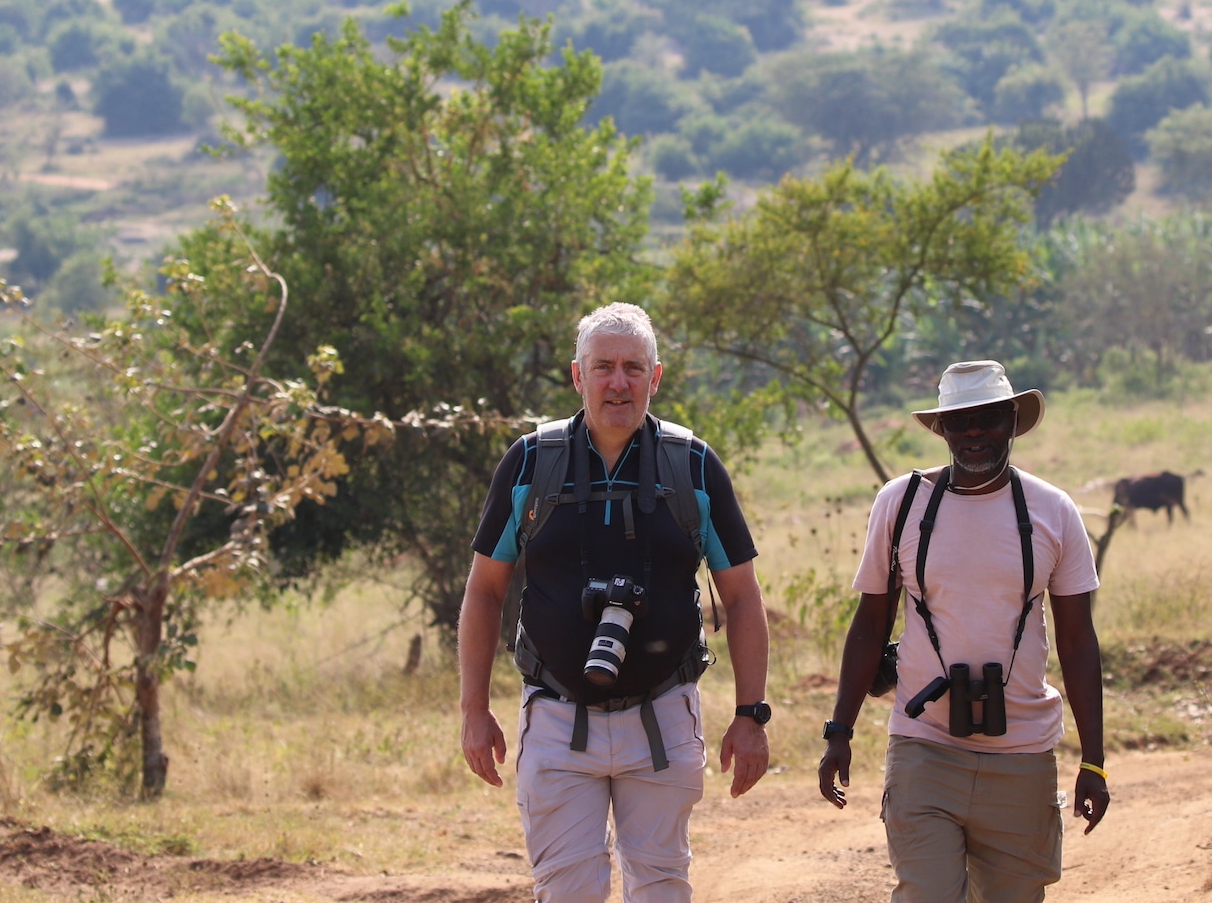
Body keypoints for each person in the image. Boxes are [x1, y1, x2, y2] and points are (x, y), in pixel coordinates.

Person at [458, 302, 771, 903]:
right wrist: (474, 708)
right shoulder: (530, 462)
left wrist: (750, 714)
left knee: (660, 889)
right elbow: (485, 589)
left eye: (634, 368)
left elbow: (742, 596)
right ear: (577, 376)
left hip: (663, 715)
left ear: (656, 377)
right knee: (566, 891)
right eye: (603, 367)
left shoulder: (695, 466)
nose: (618, 382)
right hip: (554, 714)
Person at [818, 360, 1109, 903]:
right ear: (942, 430)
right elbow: (870, 623)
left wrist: (1093, 760)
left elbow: (1077, 641)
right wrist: (840, 730)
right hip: (924, 745)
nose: (974, 433)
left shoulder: (1053, 511)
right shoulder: (900, 504)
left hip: (1021, 752)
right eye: (959, 422)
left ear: (1012, 422)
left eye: (988, 419)